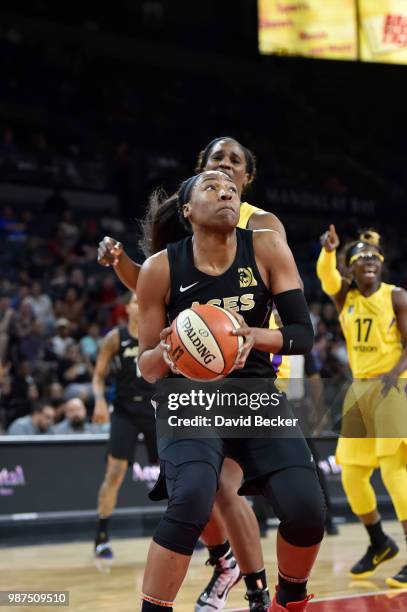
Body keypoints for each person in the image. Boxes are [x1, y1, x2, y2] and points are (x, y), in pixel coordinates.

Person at [98, 137, 295, 612]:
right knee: (200, 493)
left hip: (249, 372)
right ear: (200, 173)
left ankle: (250, 585)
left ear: (246, 178)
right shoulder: (194, 212)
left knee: (221, 491)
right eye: (216, 162)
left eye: (235, 164)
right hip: (190, 375)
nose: (225, 170)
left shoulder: (263, 226)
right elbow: (158, 289)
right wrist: (123, 263)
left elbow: (285, 297)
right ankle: (232, 568)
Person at [136, 170, 325, 612]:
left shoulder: (265, 247)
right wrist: (170, 350)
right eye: (211, 186)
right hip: (189, 397)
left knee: (306, 512)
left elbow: (303, 333)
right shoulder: (160, 268)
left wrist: (253, 337)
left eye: (232, 188)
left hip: (254, 393)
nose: (225, 191)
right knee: (192, 498)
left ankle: (288, 600)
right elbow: (146, 368)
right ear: (187, 211)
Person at [317, 224, 407, 588]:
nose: (367, 261)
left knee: (393, 471)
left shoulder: (397, 296)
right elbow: (326, 277)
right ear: (350, 269)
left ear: (381, 265)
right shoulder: (345, 299)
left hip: (394, 386)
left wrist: (395, 373)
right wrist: (328, 252)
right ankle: (378, 543)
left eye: (373, 258)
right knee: (352, 474)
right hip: (359, 390)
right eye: (359, 259)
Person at [92, 293, 158, 559]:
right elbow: (98, 375)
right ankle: (101, 537)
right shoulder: (115, 337)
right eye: (134, 300)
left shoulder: (157, 334)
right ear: (127, 309)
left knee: (176, 471)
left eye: (143, 299)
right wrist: (98, 401)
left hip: (155, 409)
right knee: (115, 472)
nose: (139, 303)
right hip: (125, 410)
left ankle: (194, 531)